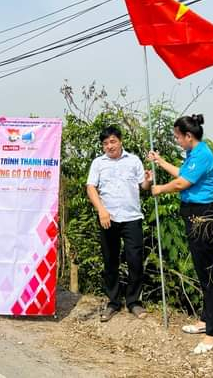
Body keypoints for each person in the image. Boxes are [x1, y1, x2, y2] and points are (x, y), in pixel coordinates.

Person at [148, 114, 213, 354]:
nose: (177, 141)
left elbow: (182, 184)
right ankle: (206, 320)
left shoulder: (202, 154)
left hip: (204, 217)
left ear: (188, 136)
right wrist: (160, 162)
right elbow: (182, 173)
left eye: (178, 137)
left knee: (209, 274)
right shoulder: (195, 154)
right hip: (193, 215)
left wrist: (159, 189)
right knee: (202, 271)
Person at [87, 125, 152, 322]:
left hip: (132, 217)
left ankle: (134, 302)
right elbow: (91, 187)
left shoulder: (134, 161)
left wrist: (149, 180)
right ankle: (113, 302)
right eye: (105, 143)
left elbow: (143, 186)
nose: (109, 146)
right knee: (110, 261)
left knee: (134, 260)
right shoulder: (98, 163)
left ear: (120, 141)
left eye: (113, 141)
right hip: (108, 218)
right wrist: (101, 210)